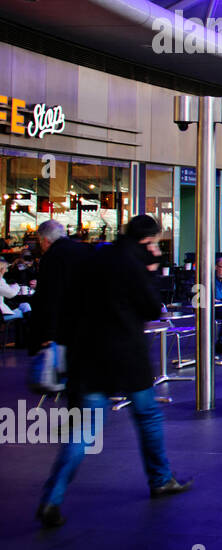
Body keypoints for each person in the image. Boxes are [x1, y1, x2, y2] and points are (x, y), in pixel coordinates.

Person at [36, 215, 191, 527]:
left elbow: (69, 304)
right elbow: (150, 308)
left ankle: (52, 498)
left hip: (88, 359)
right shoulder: (134, 265)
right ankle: (160, 478)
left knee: (82, 432)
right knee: (147, 416)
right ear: (147, 241)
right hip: (127, 358)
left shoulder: (97, 257)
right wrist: (150, 273)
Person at [27, 219, 90, 395]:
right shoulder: (85, 250)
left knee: (69, 375)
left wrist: (47, 334)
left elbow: (49, 298)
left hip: (65, 326)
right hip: (88, 323)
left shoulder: (52, 257)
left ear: (44, 240)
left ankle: (77, 417)